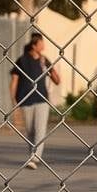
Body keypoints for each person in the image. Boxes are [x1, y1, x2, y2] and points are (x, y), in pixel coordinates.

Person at [10, 30, 60, 170]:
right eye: (41, 42)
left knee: (40, 129)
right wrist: (14, 100)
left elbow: (57, 80)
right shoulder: (22, 60)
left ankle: (35, 157)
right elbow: (14, 80)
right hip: (25, 99)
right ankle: (32, 155)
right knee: (31, 130)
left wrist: (49, 68)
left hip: (42, 99)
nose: (43, 45)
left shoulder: (44, 60)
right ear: (34, 45)